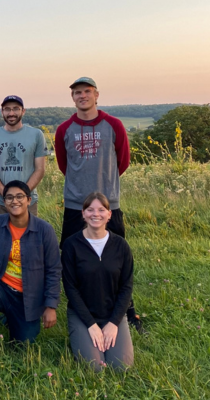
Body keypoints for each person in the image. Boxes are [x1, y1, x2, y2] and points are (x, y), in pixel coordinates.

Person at [55, 77, 143, 332]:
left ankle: (127, 312)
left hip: (108, 205)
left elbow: (122, 161)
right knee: (72, 256)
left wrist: (104, 190)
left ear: (96, 95)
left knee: (116, 259)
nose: (82, 96)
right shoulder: (64, 129)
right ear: (72, 98)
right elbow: (64, 164)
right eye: (77, 93)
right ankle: (80, 309)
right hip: (75, 205)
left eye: (87, 91)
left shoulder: (113, 125)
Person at [0, 180, 61, 345]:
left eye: (20, 196)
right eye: (9, 197)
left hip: (27, 294)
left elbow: (53, 270)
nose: (15, 201)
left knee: (24, 342)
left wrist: (51, 306)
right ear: (4, 202)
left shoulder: (44, 230)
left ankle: (11, 317)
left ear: (29, 200)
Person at [61, 192, 134, 372]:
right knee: (95, 368)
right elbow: (70, 288)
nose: (96, 214)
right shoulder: (71, 245)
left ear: (109, 214)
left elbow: (126, 287)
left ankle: (111, 335)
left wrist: (114, 323)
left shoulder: (121, 246)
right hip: (82, 315)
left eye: (101, 209)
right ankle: (83, 336)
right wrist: (91, 325)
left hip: (112, 314)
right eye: (90, 209)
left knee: (121, 367)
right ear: (83, 214)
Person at [0, 95, 47, 217]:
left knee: (27, 235)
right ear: (2, 112)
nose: (11, 113)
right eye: (7, 109)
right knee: (0, 236)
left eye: (16, 109)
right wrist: (6, 194)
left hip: (28, 201)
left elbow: (40, 169)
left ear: (23, 111)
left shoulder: (36, 135)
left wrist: (22, 195)